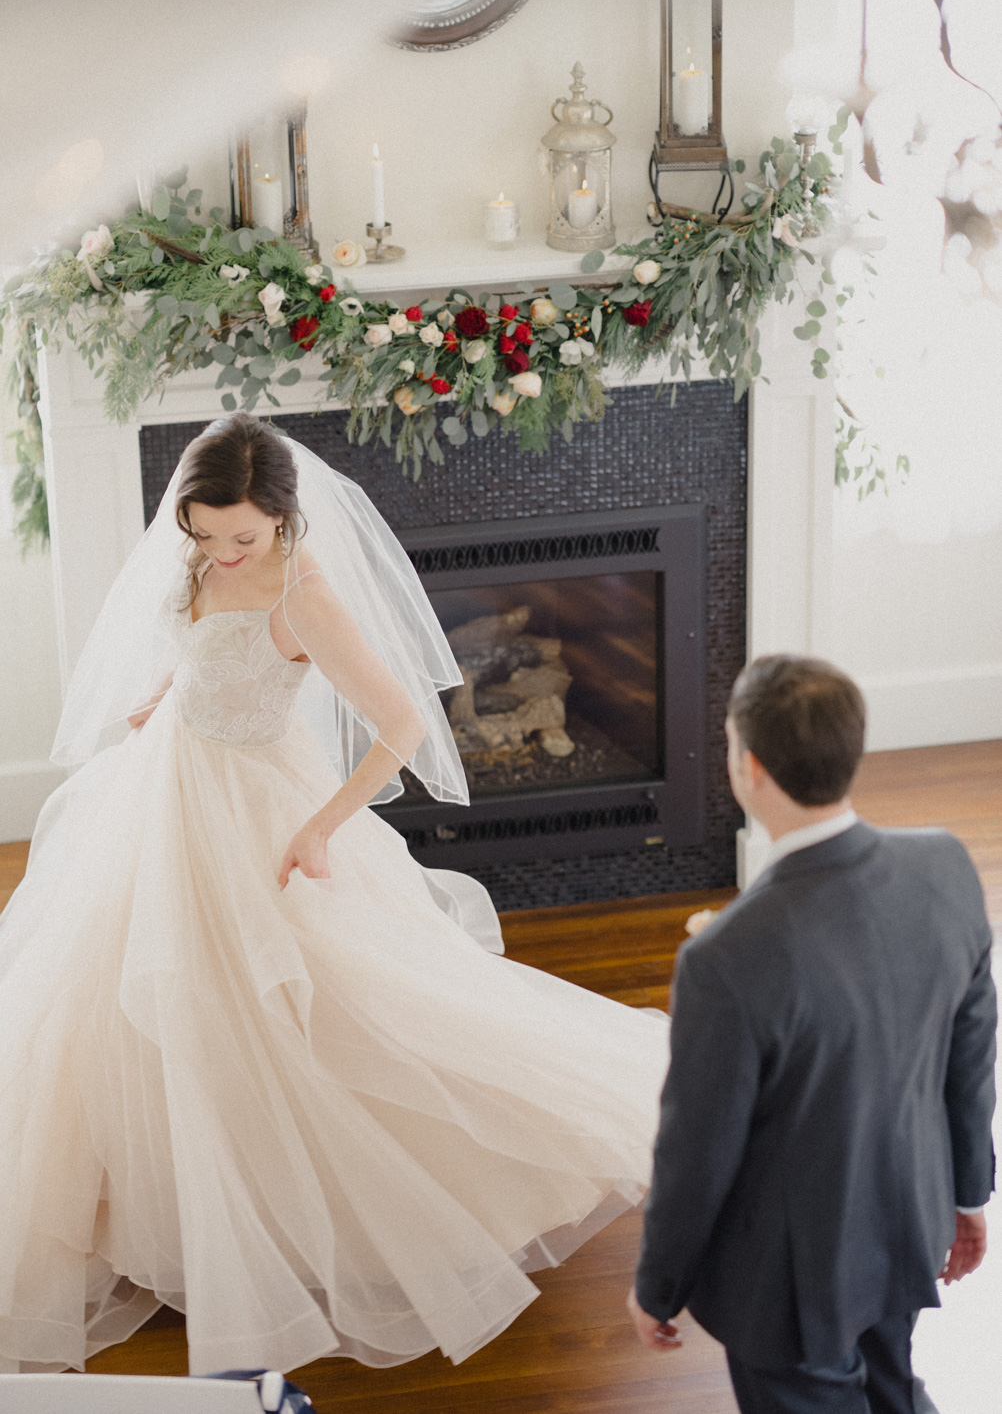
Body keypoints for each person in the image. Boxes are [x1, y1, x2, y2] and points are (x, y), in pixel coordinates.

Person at [0, 414, 669, 1377]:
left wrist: (321, 824)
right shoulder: (197, 561)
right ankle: (163, 1214)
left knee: (307, 1006)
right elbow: (200, 643)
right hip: (164, 787)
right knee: (126, 1000)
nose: (222, 553)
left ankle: (303, 1216)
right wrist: (170, 688)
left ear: (282, 520)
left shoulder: (306, 595)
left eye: (244, 538)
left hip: (261, 808)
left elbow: (400, 721)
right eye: (203, 534)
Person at [628, 654, 996, 1414]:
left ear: (749, 768)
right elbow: (973, 1056)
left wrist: (658, 1287)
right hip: (908, 1219)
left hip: (790, 1281)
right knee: (895, 1388)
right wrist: (966, 1194)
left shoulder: (724, 960)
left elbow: (697, 1149)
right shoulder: (945, 864)